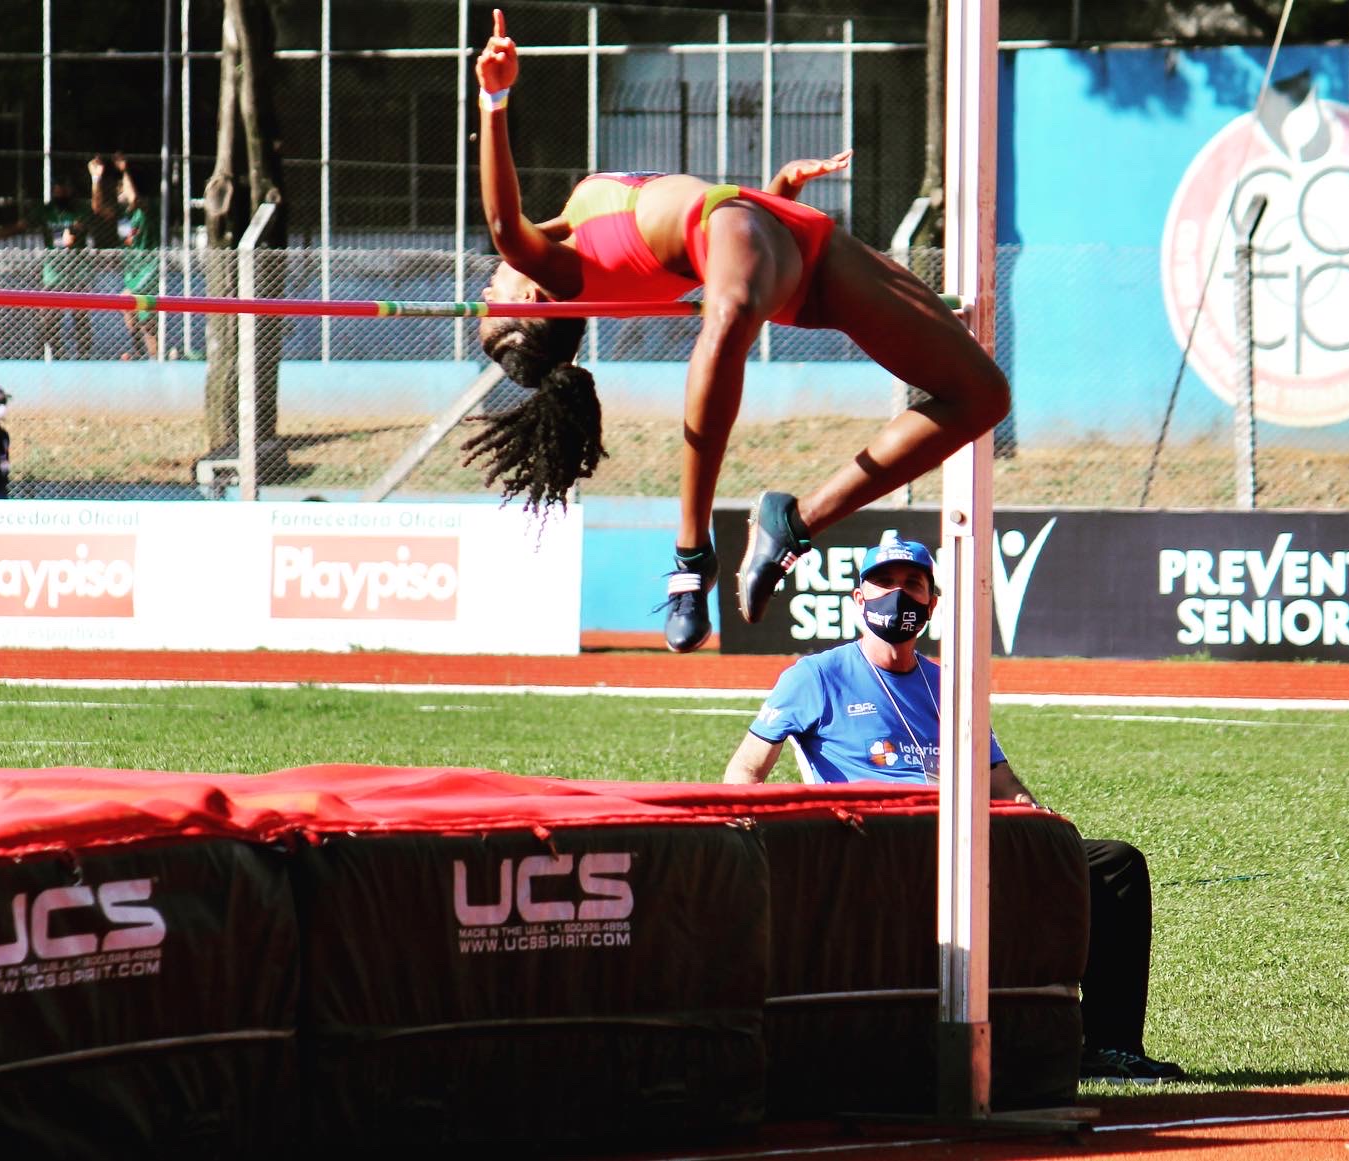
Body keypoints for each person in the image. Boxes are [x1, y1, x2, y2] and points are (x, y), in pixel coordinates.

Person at [469, 10, 1010, 654]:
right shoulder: (557, 270)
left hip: (786, 238)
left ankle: (796, 521)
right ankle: (692, 555)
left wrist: (776, 191)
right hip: (750, 247)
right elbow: (504, 225)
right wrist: (494, 100)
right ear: (533, 301)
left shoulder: (573, 230)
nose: (484, 289)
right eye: (488, 304)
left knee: (982, 396)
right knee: (724, 321)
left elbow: (724, 239)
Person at [723, 531, 1186, 1085]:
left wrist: (1043, 829)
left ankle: (1108, 1046)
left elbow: (1000, 780)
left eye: (912, 585)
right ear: (857, 599)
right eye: (884, 583)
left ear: (931, 604)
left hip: (966, 840)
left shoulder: (951, 686)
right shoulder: (815, 676)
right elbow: (745, 772)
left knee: (1115, 865)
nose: (898, 596)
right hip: (882, 848)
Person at [0, 172, 93, 359]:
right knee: (48, 322)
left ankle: (85, 361)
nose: (61, 191)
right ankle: (59, 358)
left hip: (77, 273)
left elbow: (79, 227)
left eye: (65, 188)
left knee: (81, 322)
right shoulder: (46, 210)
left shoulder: (79, 209)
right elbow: (19, 227)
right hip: (54, 274)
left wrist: (72, 232)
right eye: (57, 188)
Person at [117, 159, 160, 360]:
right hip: (132, 272)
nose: (120, 191)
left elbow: (134, 198)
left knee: (145, 319)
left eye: (123, 187)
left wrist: (126, 170)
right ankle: (142, 353)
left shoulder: (145, 210)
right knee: (139, 319)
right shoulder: (126, 215)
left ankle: (152, 356)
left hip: (147, 271)